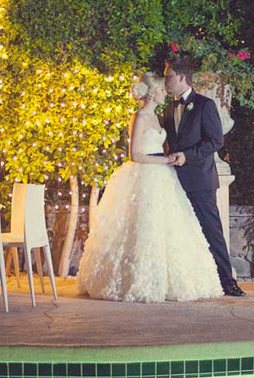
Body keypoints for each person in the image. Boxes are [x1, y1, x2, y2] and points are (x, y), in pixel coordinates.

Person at [77, 72, 223, 303]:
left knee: (168, 228)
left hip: (164, 176)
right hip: (147, 174)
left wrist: (173, 158)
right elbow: (135, 154)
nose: (165, 92)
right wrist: (165, 160)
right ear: (152, 93)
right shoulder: (140, 117)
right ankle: (137, 279)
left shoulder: (159, 116)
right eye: (162, 89)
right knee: (142, 227)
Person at [164, 57, 245, 297]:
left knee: (212, 230)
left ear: (181, 77)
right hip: (173, 181)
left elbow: (215, 141)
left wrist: (186, 156)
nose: (165, 80)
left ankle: (227, 281)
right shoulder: (168, 109)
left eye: (169, 76)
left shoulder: (204, 105)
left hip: (200, 180)